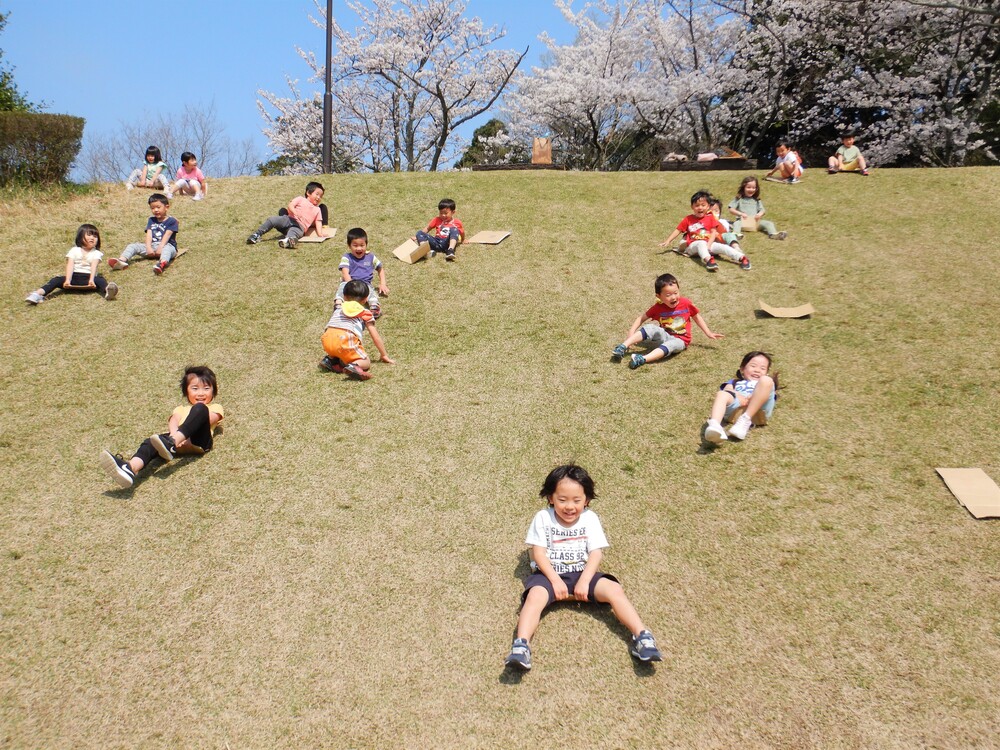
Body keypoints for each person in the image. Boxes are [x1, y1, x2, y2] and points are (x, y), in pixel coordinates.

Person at [504, 464, 663, 672]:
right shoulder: (543, 517)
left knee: (614, 590)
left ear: (586, 500)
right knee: (534, 597)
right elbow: (539, 553)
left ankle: (643, 637)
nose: (569, 506)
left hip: (582, 574)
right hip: (549, 576)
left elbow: (596, 553)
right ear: (551, 498)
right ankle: (521, 645)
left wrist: (586, 580)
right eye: (562, 500)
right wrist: (554, 580)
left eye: (577, 501)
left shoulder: (590, 519)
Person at [98, 366, 224, 489]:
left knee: (200, 409)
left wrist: (178, 439)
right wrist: (173, 435)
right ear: (186, 391)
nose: (201, 393)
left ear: (213, 392)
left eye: (206, 388)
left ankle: (172, 442)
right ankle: (130, 467)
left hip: (200, 442)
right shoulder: (180, 409)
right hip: (175, 442)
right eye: (195, 388)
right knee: (151, 441)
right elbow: (174, 420)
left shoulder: (213, 407)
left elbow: (210, 418)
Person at [610, 273, 723, 369]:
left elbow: (696, 316)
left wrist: (708, 333)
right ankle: (622, 347)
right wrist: (631, 334)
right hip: (664, 336)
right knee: (650, 327)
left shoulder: (686, 303)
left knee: (672, 344)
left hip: (681, 341)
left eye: (676, 293)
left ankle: (642, 359)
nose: (673, 297)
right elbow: (641, 318)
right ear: (659, 296)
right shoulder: (658, 307)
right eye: (668, 295)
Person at [319, 279, 395, 381]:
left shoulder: (338, 309)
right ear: (365, 299)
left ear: (344, 297)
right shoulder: (365, 313)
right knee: (366, 362)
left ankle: (330, 360)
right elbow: (375, 336)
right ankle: (354, 365)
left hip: (327, 339)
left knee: (340, 352)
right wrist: (384, 355)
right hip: (345, 339)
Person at [657, 190, 750, 272]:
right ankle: (709, 261)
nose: (700, 208)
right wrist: (668, 241)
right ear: (692, 207)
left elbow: (713, 232)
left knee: (723, 247)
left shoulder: (710, 218)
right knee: (701, 243)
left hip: (708, 243)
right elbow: (678, 230)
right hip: (693, 246)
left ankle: (742, 258)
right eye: (697, 205)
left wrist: (709, 244)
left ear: (708, 207)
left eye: (703, 205)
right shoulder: (688, 219)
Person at [25, 224, 118, 304]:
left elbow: (94, 266)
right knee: (56, 280)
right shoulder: (74, 250)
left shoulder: (97, 253)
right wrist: (67, 280)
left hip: (89, 279)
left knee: (100, 280)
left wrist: (91, 280)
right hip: (73, 278)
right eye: (89, 235)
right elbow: (70, 265)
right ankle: (37, 294)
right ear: (81, 236)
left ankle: (108, 292)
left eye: (95, 236)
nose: (92, 238)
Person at [704, 351, 777, 444]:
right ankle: (715, 425)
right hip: (735, 411)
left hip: (758, 413)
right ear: (742, 369)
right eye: (753, 366)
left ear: (767, 372)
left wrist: (752, 396)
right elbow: (728, 389)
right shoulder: (735, 382)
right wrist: (738, 395)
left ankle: (745, 419)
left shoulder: (767, 382)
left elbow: (766, 396)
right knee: (722, 394)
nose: (757, 370)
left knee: (766, 381)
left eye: (762, 368)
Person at [107, 193, 179, 275]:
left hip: (167, 246)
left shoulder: (172, 221)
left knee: (167, 250)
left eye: (158, 207)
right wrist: (148, 247)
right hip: (152, 247)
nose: (155, 210)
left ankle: (161, 264)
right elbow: (149, 234)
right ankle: (121, 261)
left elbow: (167, 235)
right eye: (152, 208)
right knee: (133, 246)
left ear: (166, 207)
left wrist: (160, 248)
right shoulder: (151, 220)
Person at [246, 181, 325, 249]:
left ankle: (288, 241)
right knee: (272, 220)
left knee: (293, 233)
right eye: (317, 194)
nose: (319, 197)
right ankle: (256, 235)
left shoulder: (317, 209)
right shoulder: (300, 199)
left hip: (300, 227)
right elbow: (290, 205)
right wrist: (295, 212)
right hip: (288, 219)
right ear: (308, 193)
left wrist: (320, 234)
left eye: (321, 196)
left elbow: (318, 222)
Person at [335, 228, 388, 318]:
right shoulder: (346, 257)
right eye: (355, 245)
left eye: (362, 245)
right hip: (350, 283)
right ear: (349, 245)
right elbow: (345, 273)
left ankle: (374, 307)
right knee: (342, 287)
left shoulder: (370, 257)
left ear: (366, 244)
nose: (359, 248)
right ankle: (338, 304)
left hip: (365, 284)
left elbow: (380, 269)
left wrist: (383, 284)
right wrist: (351, 286)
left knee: (371, 293)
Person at [728, 176, 788, 241]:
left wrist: (759, 214)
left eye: (754, 188)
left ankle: (774, 234)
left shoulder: (757, 200)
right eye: (748, 187)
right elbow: (731, 209)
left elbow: (762, 210)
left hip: (755, 222)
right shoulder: (739, 198)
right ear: (743, 188)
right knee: (737, 223)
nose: (751, 189)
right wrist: (740, 214)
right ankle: (736, 234)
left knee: (769, 223)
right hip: (743, 222)